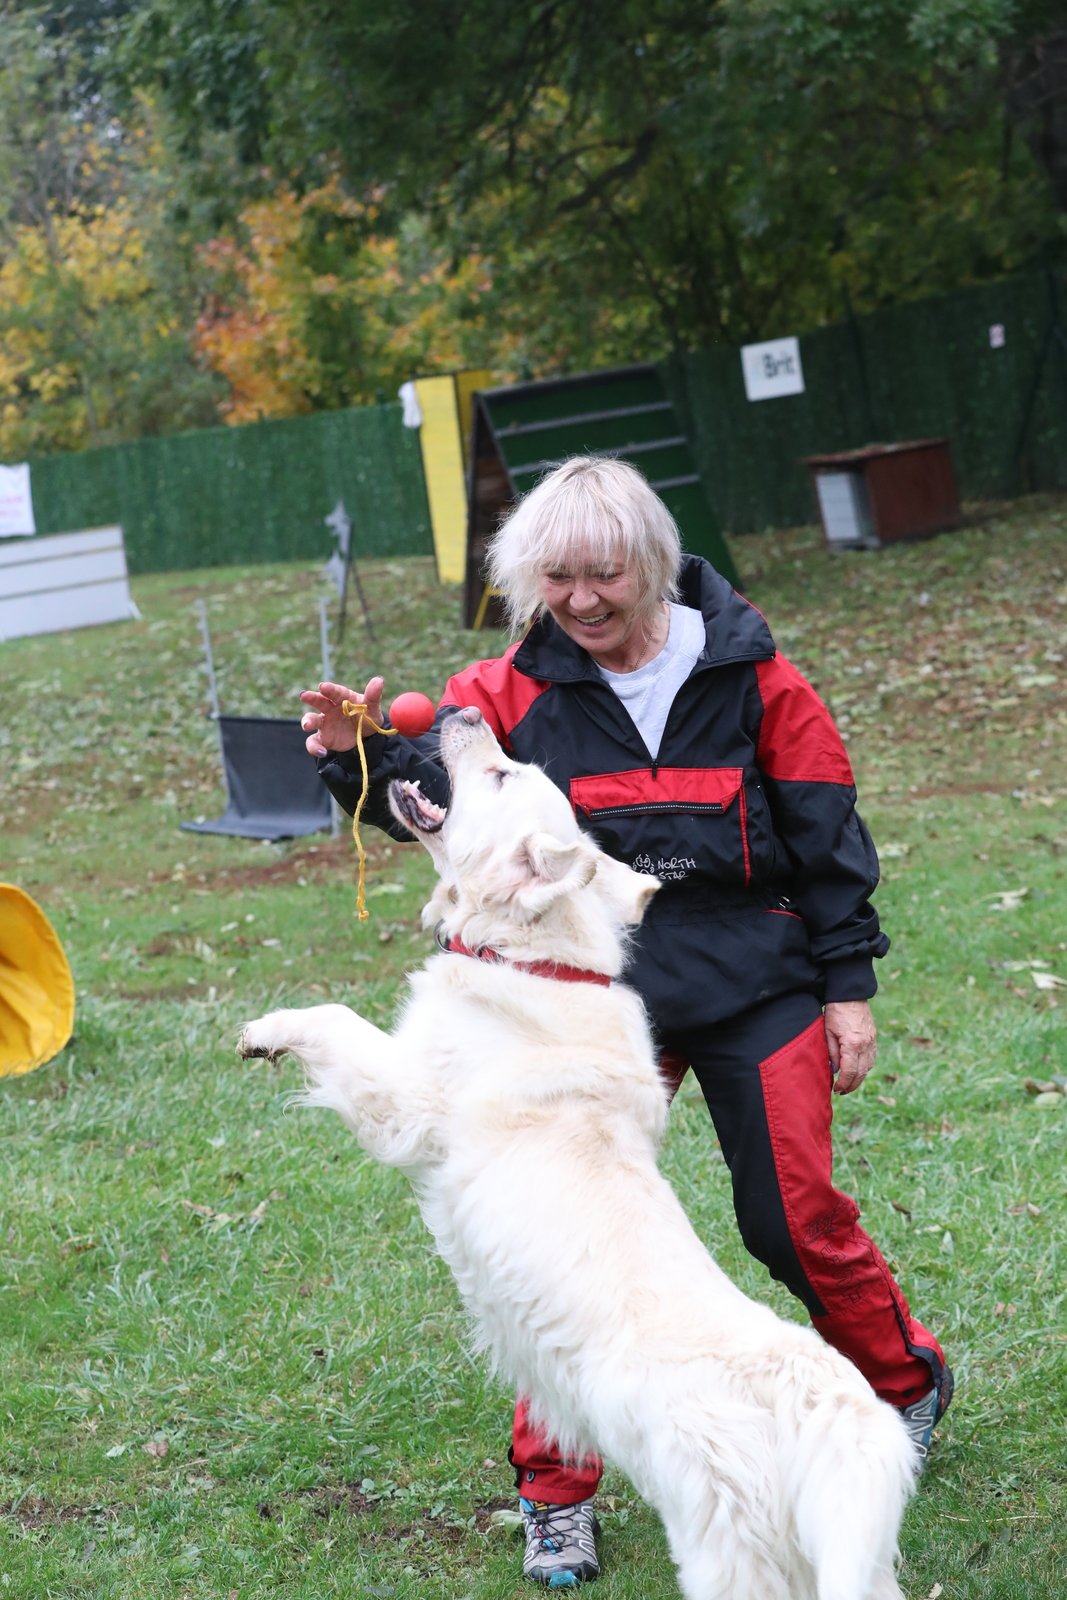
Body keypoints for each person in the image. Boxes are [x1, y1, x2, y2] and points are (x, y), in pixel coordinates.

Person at [299, 455, 952, 1589]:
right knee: (562, 1237)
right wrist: (353, 757)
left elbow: (826, 833)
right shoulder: (505, 685)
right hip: (590, 1001)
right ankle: (556, 1494)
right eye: (556, 578)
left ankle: (895, 1389)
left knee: (787, 1214)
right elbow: (439, 797)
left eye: (604, 574)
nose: (583, 600)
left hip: (754, 976)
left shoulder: (756, 677)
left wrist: (845, 986)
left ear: (652, 564)